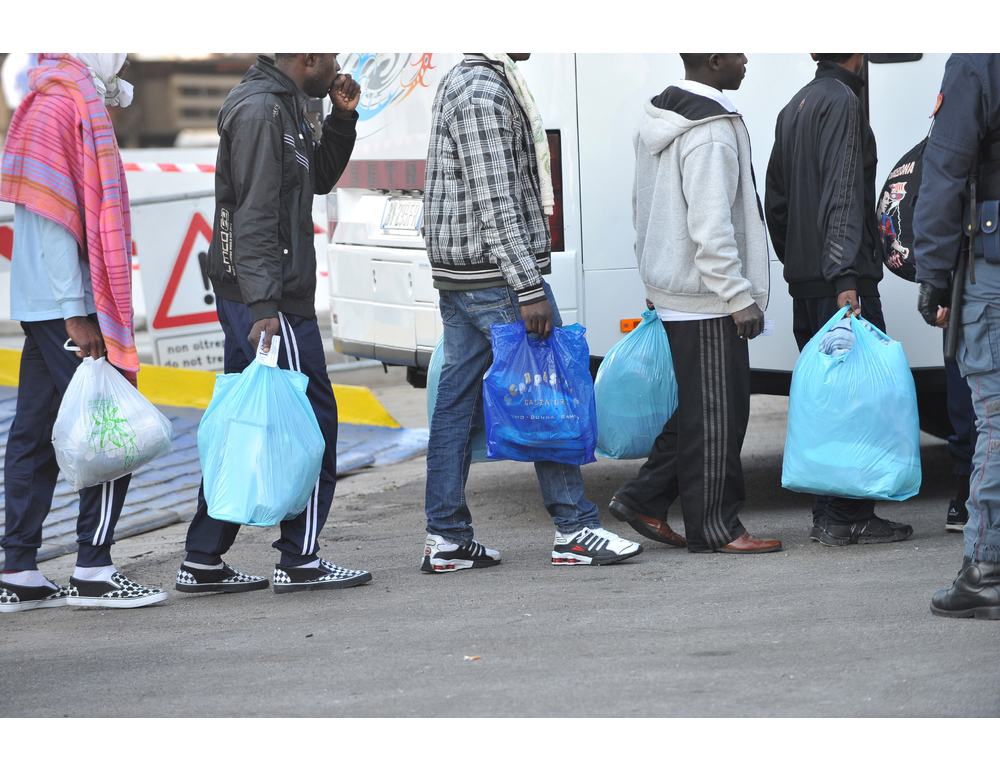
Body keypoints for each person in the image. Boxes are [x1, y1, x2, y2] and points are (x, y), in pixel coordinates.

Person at [421, 52, 642, 571]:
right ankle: (576, 529)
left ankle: (446, 537)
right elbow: (495, 200)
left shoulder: (468, 80)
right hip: (492, 278)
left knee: (454, 405)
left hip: (465, 276)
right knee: (551, 393)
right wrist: (527, 286)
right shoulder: (483, 90)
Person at [175, 54, 372, 594]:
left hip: (262, 294)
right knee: (311, 417)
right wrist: (265, 308)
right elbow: (253, 213)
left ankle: (203, 558)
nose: (335, 64)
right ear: (305, 57)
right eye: (329, 56)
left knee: (245, 423)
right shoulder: (263, 110)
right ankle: (299, 558)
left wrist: (341, 118)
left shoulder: (287, 104)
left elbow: (318, 179)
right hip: (270, 299)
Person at [0, 53, 166, 611]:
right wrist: (77, 311)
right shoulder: (61, 105)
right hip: (62, 303)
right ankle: (94, 568)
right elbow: (52, 221)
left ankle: (19, 569)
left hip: (44, 301)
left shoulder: (58, 96)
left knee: (34, 431)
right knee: (110, 426)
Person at [608, 53, 781, 555]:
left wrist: (651, 272)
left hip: (679, 288)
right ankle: (717, 527)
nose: (746, 60)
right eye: (738, 51)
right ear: (714, 59)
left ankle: (643, 498)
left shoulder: (661, 115)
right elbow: (711, 224)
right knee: (718, 417)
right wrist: (737, 296)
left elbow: (643, 205)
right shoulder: (709, 130)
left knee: (704, 409)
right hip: (707, 296)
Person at [764, 53, 913, 547]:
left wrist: (799, 265)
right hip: (841, 284)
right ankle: (848, 515)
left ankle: (829, 514)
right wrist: (844, 275)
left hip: (808, 281)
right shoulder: (845, 101)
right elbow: (844, 193)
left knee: (827, 403)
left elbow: (777, 203)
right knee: (859, 402)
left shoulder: (794, 106)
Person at [914, 53, 1000, 620]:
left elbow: (945, 167)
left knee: (995, 420)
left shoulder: (978, 57)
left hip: (992, 265)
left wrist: (933, 274)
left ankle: (986, 569)